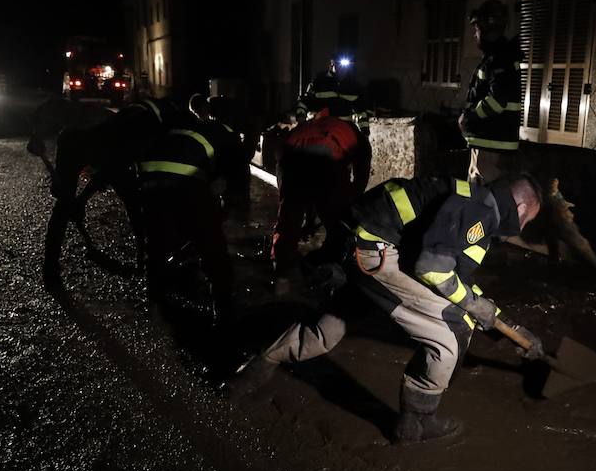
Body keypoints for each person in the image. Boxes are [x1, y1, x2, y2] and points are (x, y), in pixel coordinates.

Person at [228, 175, 545, 444]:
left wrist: (510, 326)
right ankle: (417, 421)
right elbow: (432, 268)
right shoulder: (480, 210)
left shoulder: (469, 197)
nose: (522, 227)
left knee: (327, 330)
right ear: (519, 208)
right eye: (527, 221)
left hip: (358, 245)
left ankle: (257, 368)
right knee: (452, 329)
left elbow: (457, 278)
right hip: (375, 255)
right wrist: (473, 307)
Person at [41, 96, 177, 288]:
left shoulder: (141, 122)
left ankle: (143, 257)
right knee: (65, 205)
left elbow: (109, 173)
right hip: (76, 144)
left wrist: (82, 199)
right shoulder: (142, 132)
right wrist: (79, 199)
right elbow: (109, 172)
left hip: (91, 145)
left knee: (130, 199)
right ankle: (50, 268)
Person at [138, 106, 246, 321]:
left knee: (158, 238)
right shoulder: (228, 137)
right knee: (212, 247)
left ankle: (155, 291)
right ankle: (223, 307)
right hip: (184, 185)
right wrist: (230, 202)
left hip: (148, 181)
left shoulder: (191, 131)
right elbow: (237, 175)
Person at [270, 110, 372, 289]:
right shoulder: (356, 138)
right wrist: (349, 204)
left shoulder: (306, 127)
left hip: (293, 158)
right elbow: (359, 181)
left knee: (288, 217)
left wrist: (301, 214)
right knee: (339, 222)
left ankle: (281, 268)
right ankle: (334, 263)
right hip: (325, 159)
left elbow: (289, 188)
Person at [459, 0, 525, 183]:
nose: (475, 35)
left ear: (489, 30)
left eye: (477, 29)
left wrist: (468, 117)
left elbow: (496, 101)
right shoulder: (499, 57)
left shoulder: (500, 59)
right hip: (492, 145)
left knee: (481, 201)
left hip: (491, 147)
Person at [296, 56, 370, 137]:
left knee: (364, 146)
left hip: (345, 126)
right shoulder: (319, 82)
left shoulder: (353, 86)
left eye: (346, 66)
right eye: (339, 64)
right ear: (331, 64)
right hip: (322, 126)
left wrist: (365, 130)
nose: (342, 69)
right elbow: (305, 101)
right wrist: (301, 116)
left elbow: (361, 111)